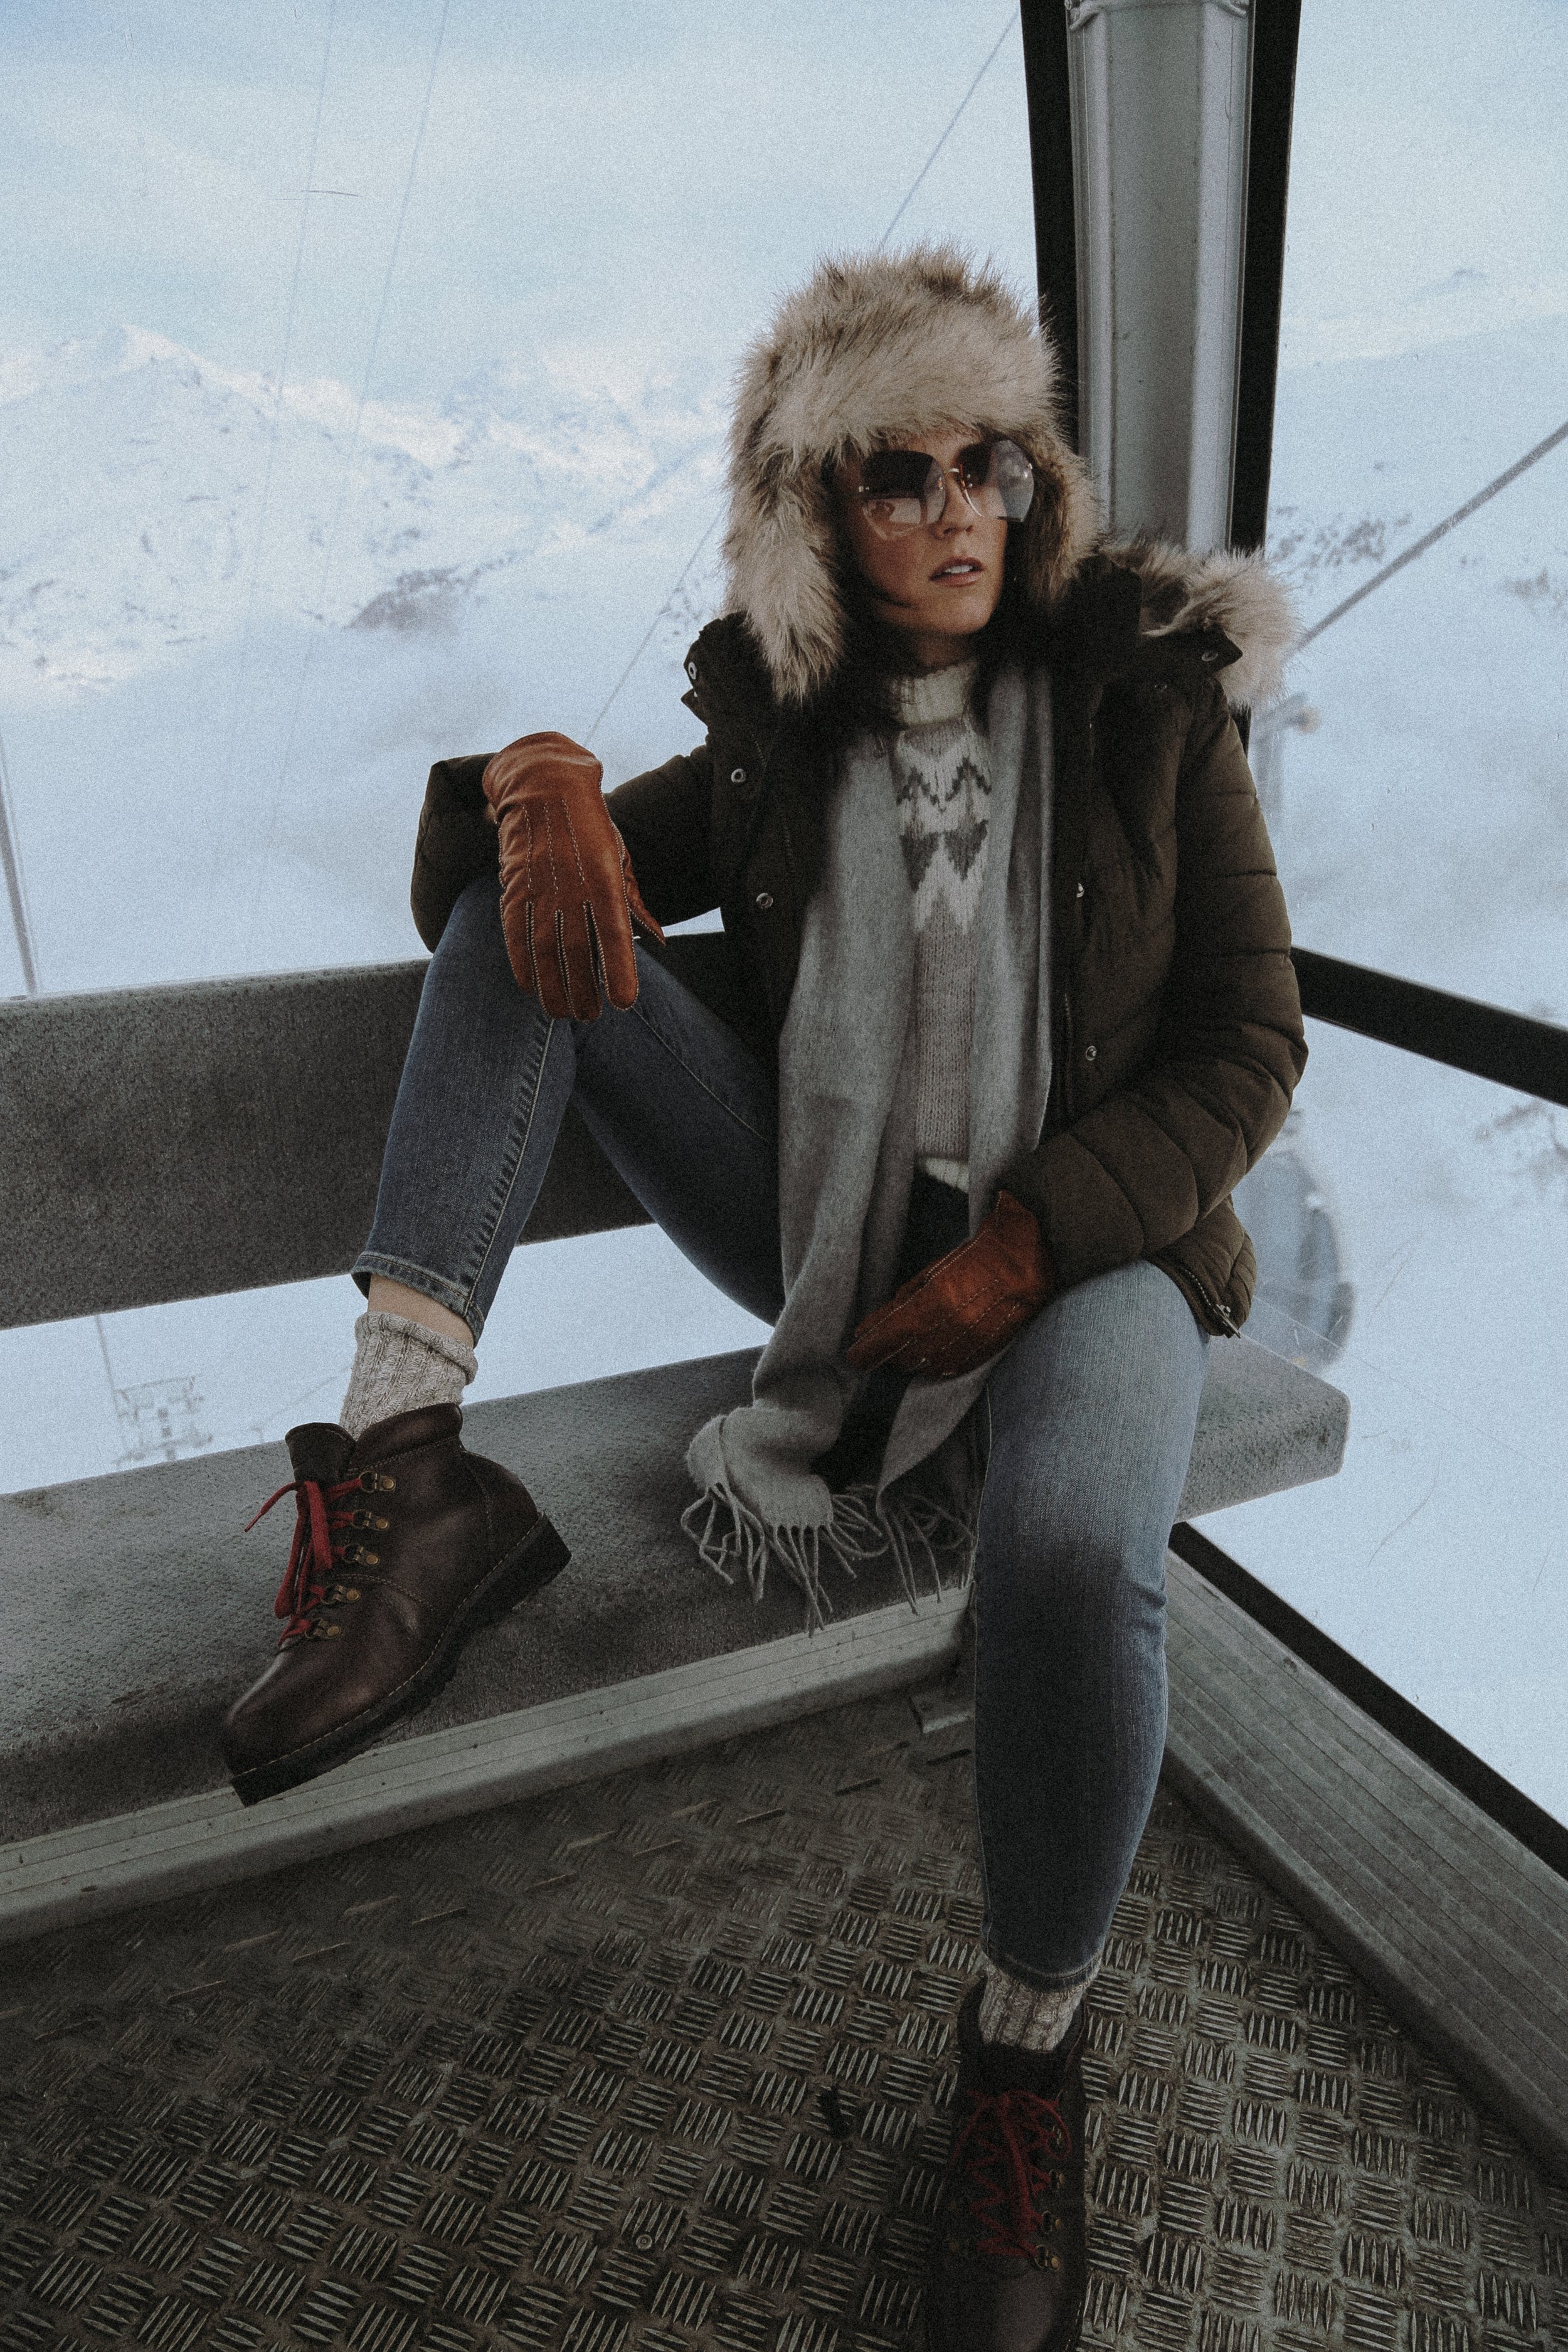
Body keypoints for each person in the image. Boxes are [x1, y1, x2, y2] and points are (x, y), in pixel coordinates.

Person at [220, 245, 1305, 2352]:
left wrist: (1024, 1243)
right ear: (815, 511)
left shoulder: (1149, 698)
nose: (955, 508)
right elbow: (500, 914)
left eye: (989, 457)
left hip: (1089, 1256)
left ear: (1036, 473)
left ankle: (1022, 2053)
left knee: (1077, 1553)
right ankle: (407, 1454)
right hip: (823, 1228)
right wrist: (531, 781)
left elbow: (1245, 1051)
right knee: (542, 923)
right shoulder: (775, 730)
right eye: (895, 475)